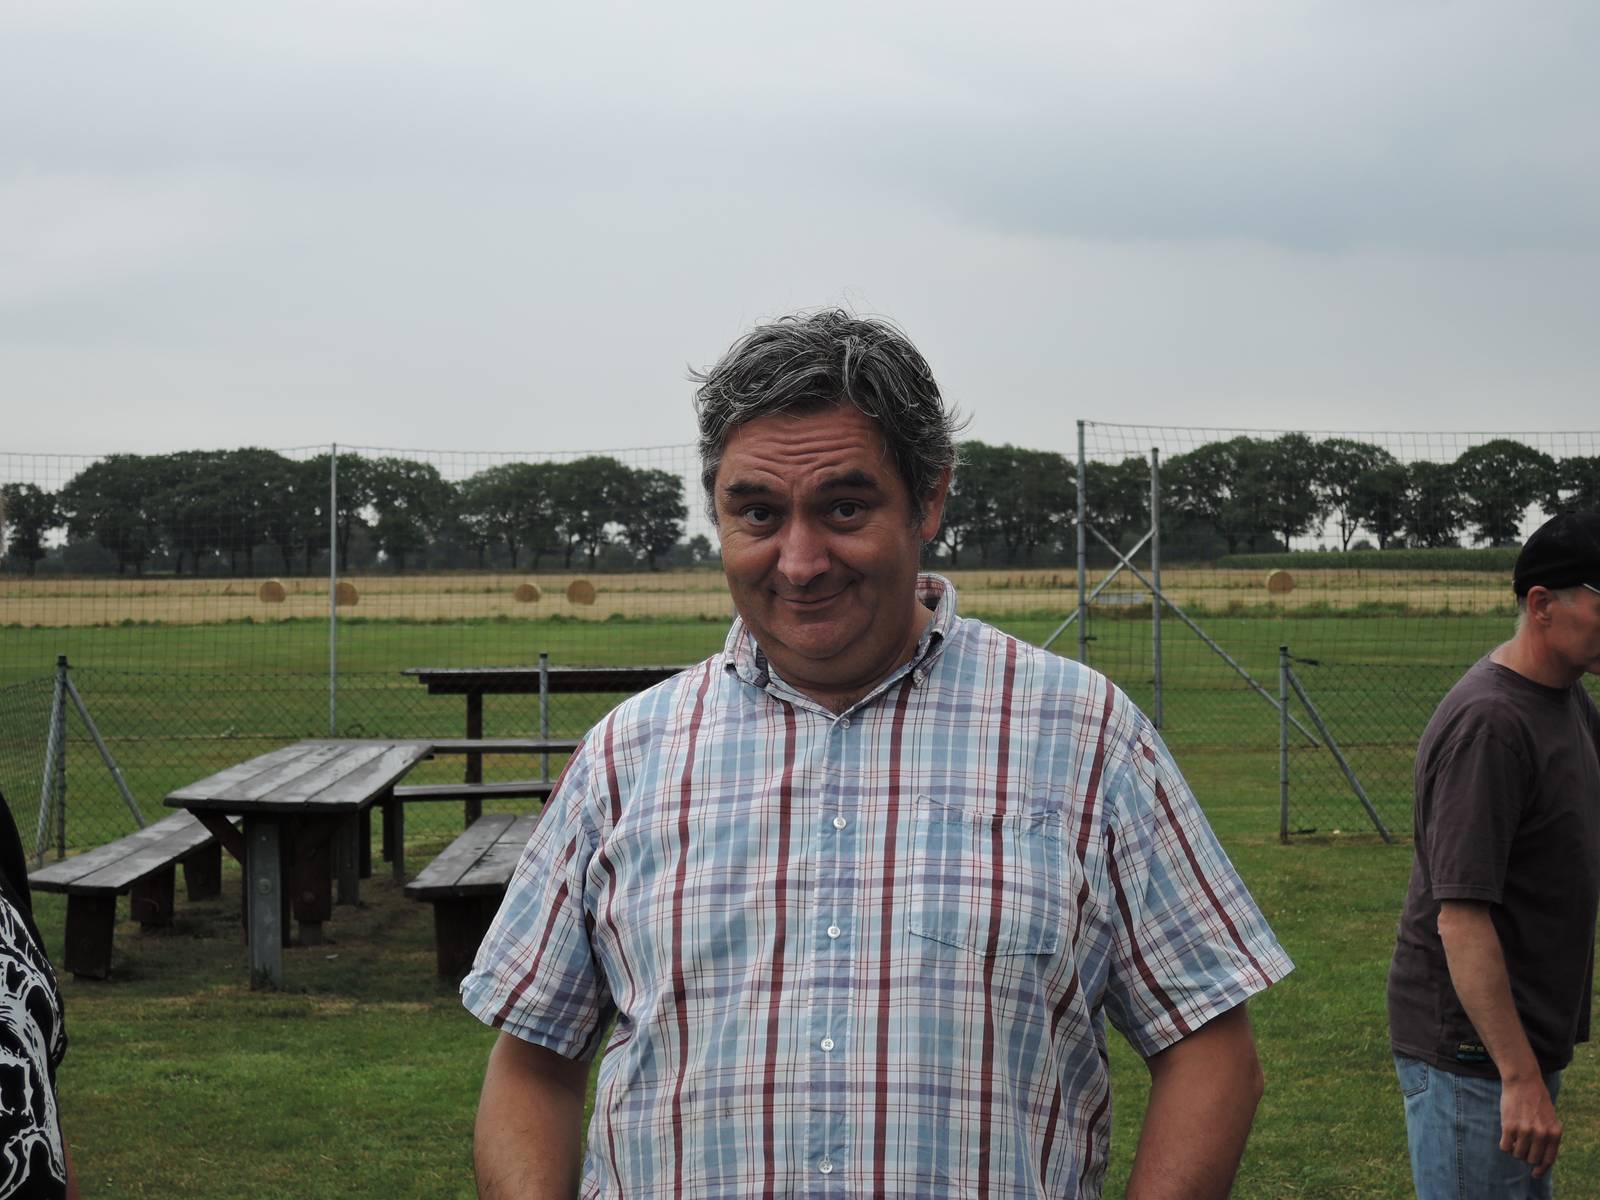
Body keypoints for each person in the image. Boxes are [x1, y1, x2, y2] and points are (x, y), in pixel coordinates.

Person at [463, 310, 1292, 1199]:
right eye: (758, 513)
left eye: (844, 508)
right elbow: (534, 1065)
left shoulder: (1086, 736)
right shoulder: (627, 757)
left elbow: (1209, 1048)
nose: (799, 561)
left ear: (928, 499)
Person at [1387, 510, 1600, 1199]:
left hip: (1523, 1037)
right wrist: (1518, 1075)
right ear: (1542, 604)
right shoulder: (1492, 724)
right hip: (1473, 1055)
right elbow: (1461, 919)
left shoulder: (1567, 699)